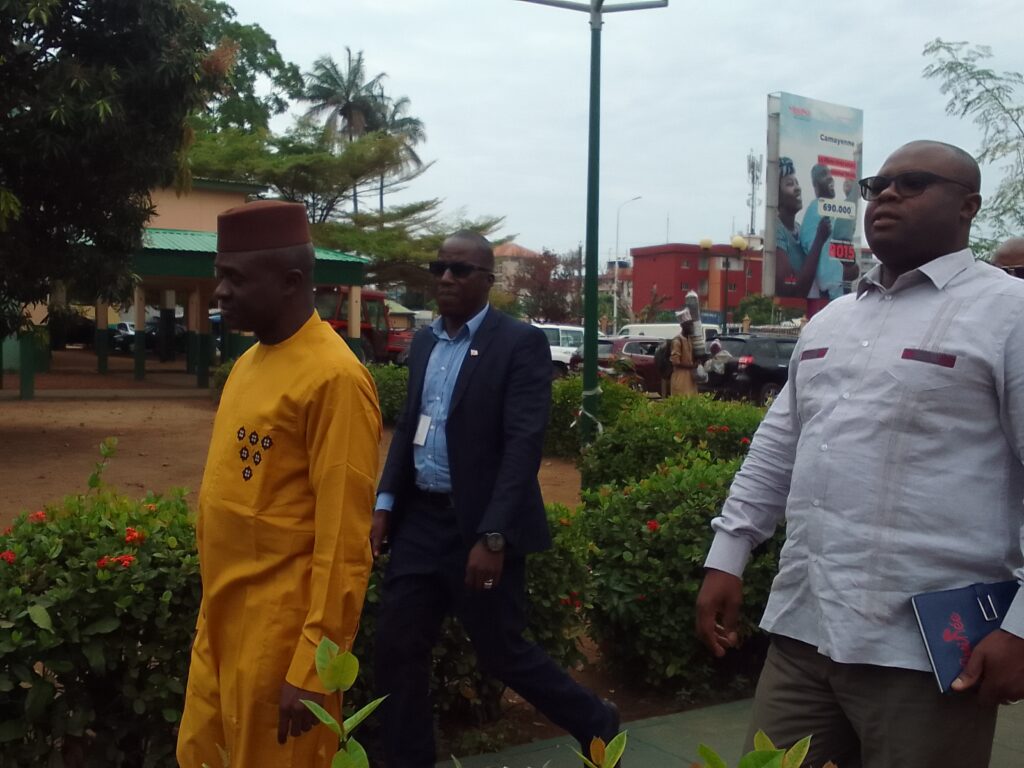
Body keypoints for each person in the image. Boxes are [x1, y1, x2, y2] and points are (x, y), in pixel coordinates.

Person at [695, 140, 1024, 768]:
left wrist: (1020, 628)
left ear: (969, 206)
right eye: (878, 185)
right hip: (805, 629)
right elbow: (778, 447)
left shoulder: (1010, 313)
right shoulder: (832, 320)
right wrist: (728, 556)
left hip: (926, 652)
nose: (887, 194)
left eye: (914, 182)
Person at [371, 231, 620, 768]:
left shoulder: (519, 343)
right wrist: (386, 500)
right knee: (396, 647)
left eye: (459, 270)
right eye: (439, 267)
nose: (445, 278)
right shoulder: (424, 343)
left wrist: (493, 535)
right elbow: (409, 425)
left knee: (501, 652)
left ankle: (596, 722)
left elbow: (523, 444)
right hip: (420, 522)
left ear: (487, 280)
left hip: (479, 527)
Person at [177, 200, 382, 767]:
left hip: (280, 646)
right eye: (220, 275)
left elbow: (345, 545)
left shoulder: (336, 380)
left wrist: (314, 663)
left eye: (235, 278)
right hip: (218, 630)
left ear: (292, 281)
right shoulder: (246, 365)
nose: (220, 292)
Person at [774, 157, 830, 301]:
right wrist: (819, 240)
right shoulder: (776, 230)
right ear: (776, 194)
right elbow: (793, 291)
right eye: (789, 184)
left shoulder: (801, 229)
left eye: (797, 183)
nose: (797, 188)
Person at [669, 319, 699, 397]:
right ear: (683, 326)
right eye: (690, 325)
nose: (692, 327)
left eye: (692, 325)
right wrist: (691, 366)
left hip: (690, 378)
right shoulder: (677, 341)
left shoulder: (689, 339)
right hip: (680, 378)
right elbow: (675, 362)